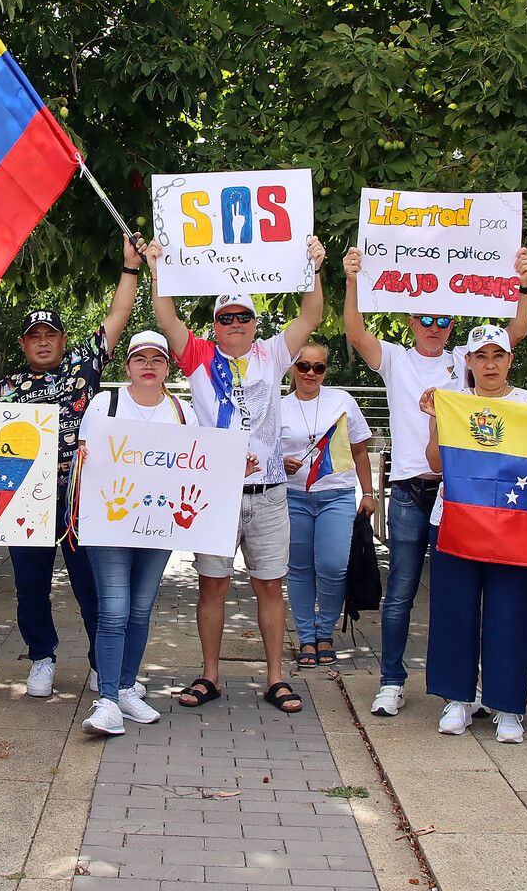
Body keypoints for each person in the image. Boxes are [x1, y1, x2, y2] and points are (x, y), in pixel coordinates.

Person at [341, 245, 527, 717]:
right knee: (402, 592)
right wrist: (351, 280)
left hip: (462, 495)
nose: (434, 327)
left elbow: (517, 331)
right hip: (411, 493)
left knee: (464, 595)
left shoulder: (466, 361)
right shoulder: (393, 358)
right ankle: (391, 681)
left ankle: (472, 688)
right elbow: (355, 331)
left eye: (444, 320)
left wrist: (525, 284)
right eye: (425, 319)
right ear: (410, 321)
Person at [146, 235, 327, 715]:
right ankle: (210, 674)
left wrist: (314, 267)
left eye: (242, 317)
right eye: (225, 318)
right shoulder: (200, 355)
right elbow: (167, 319)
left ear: (253, 323)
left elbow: (311, 317)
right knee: (213, 584)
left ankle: (276, 677)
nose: (235, 325)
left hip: (268, 493)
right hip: (216, 493)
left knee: (270, 584)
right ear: (215, 325)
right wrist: (158, 267)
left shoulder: (271, 353)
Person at [0, 236, 146, 697]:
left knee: (91, 582)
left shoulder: (84, 364)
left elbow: (117, 318)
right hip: (27, 495)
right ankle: (41, 657)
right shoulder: (7, 386)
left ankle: (103, 663)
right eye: (34, 336)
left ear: (63, 339)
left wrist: (130, 268)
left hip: (83, 491)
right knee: (29, 583)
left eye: (51, 335)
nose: (43, 342)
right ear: (24, 344)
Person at [421, 324, 527, 744]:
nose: (489, 364)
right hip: (456, 519)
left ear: (510, 360)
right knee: (454, 610)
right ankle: (457, 698)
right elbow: (436, 463)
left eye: (498, 356)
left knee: (509, 612)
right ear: (468, 363)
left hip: (514, 524)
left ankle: (507, 705)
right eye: (480, 356)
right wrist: (439, 420)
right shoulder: (453, 401)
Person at [77, 331, 192, 736]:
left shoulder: (182, 412)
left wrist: (236, 467)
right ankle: (107, 699)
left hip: (157, 527)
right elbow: (84, 454)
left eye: (156, 360)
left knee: (141, 609)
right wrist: (82, 455)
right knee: (114, 608)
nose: (148, 366)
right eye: (140, 359)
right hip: (109, 523)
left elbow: (201, 463)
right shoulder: (104, 403)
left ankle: (126, 688)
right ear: (127, 366)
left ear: (167, 367)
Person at [278, 342, 373, 668]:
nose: (310, 373)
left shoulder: (342, 401)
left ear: (325, 371)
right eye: (304, 366)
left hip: (337, 494)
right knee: (300, 569)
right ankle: (307, 637)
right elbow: (264, 456)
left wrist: (369, 492)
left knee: (333, 567)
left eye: (318, 367)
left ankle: (325, 632)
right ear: (293, 368)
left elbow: (360, 450)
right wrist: (282, 463)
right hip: (293, 496)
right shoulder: (279, 407)